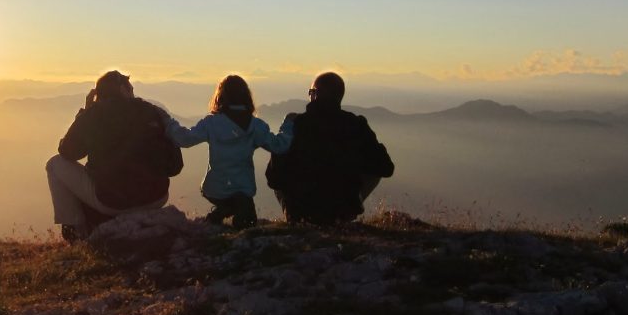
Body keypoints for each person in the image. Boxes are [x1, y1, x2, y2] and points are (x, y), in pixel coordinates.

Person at [46, 70, 182, 242]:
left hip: (112, 203)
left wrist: (84, 113)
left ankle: (74, 231)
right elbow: (175, 167)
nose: (133, 93)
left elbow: (67, 152)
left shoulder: (94, 114)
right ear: (122, 90)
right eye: (130, 88)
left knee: (54, 164)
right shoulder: (151, 111)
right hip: (157, 198)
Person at [266, 71, 394, 225]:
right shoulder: (356, 124)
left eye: (311, 92)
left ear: (314, 95)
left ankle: (292, 216)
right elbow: (386, 168)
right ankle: (349, 211)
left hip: (300, 211)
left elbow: (273, 178)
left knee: (280, 157)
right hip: (340, 210)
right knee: (373, 173)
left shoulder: (295, 125)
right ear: (339, 96)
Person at [166, 74, 293, 229]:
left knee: (241, 212)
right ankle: (230, 212)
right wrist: (289, 124)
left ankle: (223, 211)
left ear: (220, 96)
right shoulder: (256, 126)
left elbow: (184, 139)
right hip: (243, 190)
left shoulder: (211, 123)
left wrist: (168, 122)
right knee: (247, 223)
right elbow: (279, 146)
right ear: (246, 97)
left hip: (213, 189)